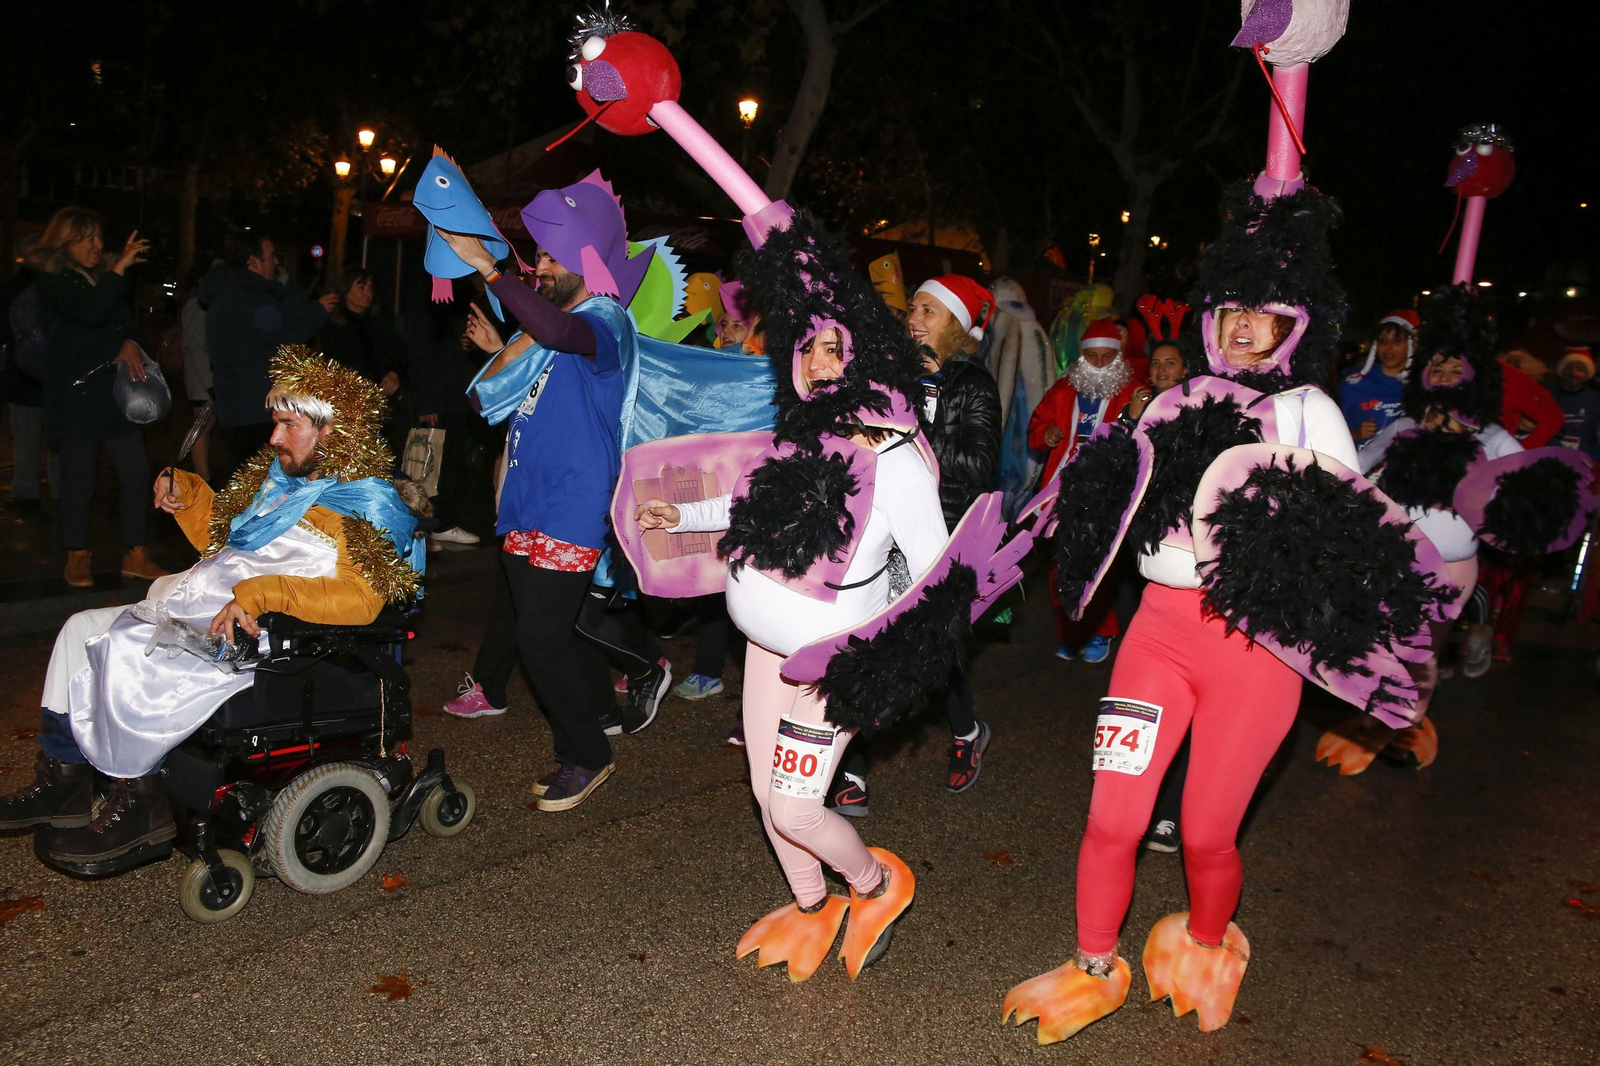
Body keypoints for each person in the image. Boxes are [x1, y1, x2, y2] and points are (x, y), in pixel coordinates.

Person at [1006, 177, 1428, 1045]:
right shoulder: (1171, 399)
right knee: (1112, 816)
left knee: (1204, 831)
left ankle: (1206, 941)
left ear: (1293, 325)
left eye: (1263, 312)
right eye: (1231, 307)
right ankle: (1092, 965)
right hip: (1157, 630)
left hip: (1255, 646)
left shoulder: (1307, 409)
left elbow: (1354, 543)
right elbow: (1121, 504)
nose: (1242, 323)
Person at [633, 209, 953, 981]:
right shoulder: (791, 435)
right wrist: (680, 515)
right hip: (761, 651)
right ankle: (813, 907)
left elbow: (939, 573)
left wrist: (882, 661)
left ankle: (875, 885)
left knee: (795, 806)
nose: (815, 361)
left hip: (826, 661)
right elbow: (741, 508)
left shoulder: (897, 455)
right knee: (761, 788)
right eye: (805, 347)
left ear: (866, 354)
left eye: (833, 346)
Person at [0, 350, 422, 869]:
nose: (274, 438)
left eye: (288, 424)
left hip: (258, 637)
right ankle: (63, 782)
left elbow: (363, 600)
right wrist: (191, 497)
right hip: (202, 606)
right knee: (77, 629)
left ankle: (142, 807)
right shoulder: (282, 483)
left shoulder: (364, 505)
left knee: (128, 645)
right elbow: (226, 547)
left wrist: (264, 594)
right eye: (276, 423)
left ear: (332, 429)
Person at [434, 174, 656, 811]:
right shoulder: (555, 326)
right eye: (539, 256)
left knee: (540, 638)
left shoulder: (606, 321)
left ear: (589, 261)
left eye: (554, 258)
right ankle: (599, 721)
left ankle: (587, 752)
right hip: (528, 501)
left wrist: (488, 266)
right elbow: (516, 382)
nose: (540, 267)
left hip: (573, 504)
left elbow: (559, 332)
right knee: (549, 635)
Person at [28, 207, 168, 587]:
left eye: (98, 237)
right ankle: (76, 554)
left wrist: (128, 342)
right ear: (65, 242)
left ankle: (135, 553)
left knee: (136, 471)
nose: (97, 244)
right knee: (78, 480)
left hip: (112, 395)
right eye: (86, 238)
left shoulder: (102, 278)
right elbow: (88, 316)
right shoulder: (53, 280)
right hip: (75, 396)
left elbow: (121, 321)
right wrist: (118, 270)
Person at [1027, 317, 1144, 663]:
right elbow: (1037, 422)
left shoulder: (1132, 391)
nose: (1098, 365)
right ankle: (1070, 631)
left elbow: (1144, 437)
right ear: (1081, 357)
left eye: (1107, 357)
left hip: (1106, 492)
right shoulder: (1064, 390)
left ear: (1119, 357)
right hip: (1062, 489)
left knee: (1096, 565)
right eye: (1091, 357)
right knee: (1059, 564)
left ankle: (1101, 630)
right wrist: (1046, 432)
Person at [201, 230, 336, 477]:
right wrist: (317, 311)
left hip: (235, 407)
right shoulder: (250, 298)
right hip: (255, 408)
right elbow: (283, 336)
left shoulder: (229, 293)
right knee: (262, 485)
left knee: (245, 480)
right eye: (271, 256)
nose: (276, 262)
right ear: (253, 261)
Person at [404, 274, 489, 547]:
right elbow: (418, 346)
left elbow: (450, 340)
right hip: (437, 395)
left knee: (447, 463)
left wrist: (466, 342)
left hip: (455, 392)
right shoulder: (429, 287)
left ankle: (439, 523)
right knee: (429, 465)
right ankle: (432, 524)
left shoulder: (457, 289)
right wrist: (425, 401)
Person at [4, 262, 52, 509]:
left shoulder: (16, 288)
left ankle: (25, 493)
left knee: (27, 440)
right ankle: (59, 493)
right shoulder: (47, 286)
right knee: (54, 443)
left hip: (23, 379)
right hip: (41, 379)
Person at [1338, 309, 1417, 447]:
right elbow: (1327, 433)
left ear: (1412, 345)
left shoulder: (1421, 386)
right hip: (1359, 466)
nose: (1388, 347)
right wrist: (1355, 434)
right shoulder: (1354, 385)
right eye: (1382, 340)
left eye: (1397, 340)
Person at [178, 260, 215, 483]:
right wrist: (209, 382)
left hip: (203, 377)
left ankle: (203, 476)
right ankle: (203, 478)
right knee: (201, 426)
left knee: (203, 426)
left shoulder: (201, 304)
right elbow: (196, 346)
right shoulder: (196, 305)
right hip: (201, 379)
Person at [1553, 348, 1599, 459]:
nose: (1574, 373)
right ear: (1562, 371)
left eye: (1580, 369)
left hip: (1588, 458)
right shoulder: (1548, 395)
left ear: (1587, 374)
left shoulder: (1596, 400)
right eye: (1569, 368)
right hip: (1551, 455)